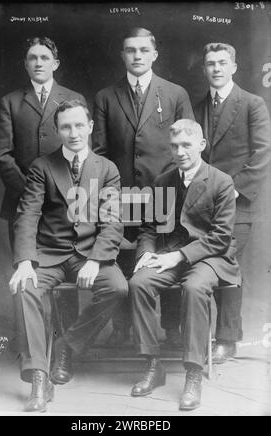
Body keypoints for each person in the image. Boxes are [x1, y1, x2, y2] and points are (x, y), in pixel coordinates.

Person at [9, 100, 128, 412]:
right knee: (25, 288)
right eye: (66, 127)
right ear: (57, 130)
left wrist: (95, 259)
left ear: (89, 127)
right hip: (50, 254)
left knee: (117, 288)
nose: (73, 133)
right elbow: (28, 215)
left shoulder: (107, 169)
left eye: (79, 125)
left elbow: (113, 220)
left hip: (89, 254)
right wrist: (24, 262)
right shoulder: (42, 166)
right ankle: (39, 377)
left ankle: (67, 346)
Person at [128, 119, 241, 410]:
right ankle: (153, 364)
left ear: (201, 145)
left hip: (210, 257)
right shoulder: (163, 181)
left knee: (193, 288)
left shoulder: (221, 181)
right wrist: (145, 254)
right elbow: (151, 228)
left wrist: (177, 256)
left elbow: (221, 237)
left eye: (187, 145)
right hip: (170, 254)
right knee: (139, 282)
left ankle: (193, 373)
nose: (180, 152)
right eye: (175, 146)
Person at [92, 27, 195, 346]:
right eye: (130, 50)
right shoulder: (106, 96)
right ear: (122, 55)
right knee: (122, 258)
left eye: (142, 50)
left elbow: (188, 145)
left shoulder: (175, 93)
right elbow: (98, 150)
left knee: (165, 253)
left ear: (154, 54)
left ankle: (173, 330)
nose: (137, 56)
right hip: (121, 194)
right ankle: (122, 331)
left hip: (166, 194)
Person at [194, 42, 271, 363]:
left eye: (222, 62)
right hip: (201, 204)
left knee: (227, 265)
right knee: (202, 267)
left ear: (234, 67)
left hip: (237, 204)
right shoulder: (198, 107)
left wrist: (233, 190)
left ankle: (226, 338)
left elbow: (263, 153)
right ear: (205, 68)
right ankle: (198, 335)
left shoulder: (253, 104)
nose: (216, 68)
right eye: (210, 63)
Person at [0, 36, 86, 247]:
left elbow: (81, 151)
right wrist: (28, 189)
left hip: (65, 199)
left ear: (55, 64)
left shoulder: (75, 99)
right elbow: (2, 154)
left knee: (63, 264)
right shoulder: (10, 102)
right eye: (33, 58)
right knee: (25, 265)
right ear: (26, 64)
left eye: (44, 58)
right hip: (23, 199)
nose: (38, 63)